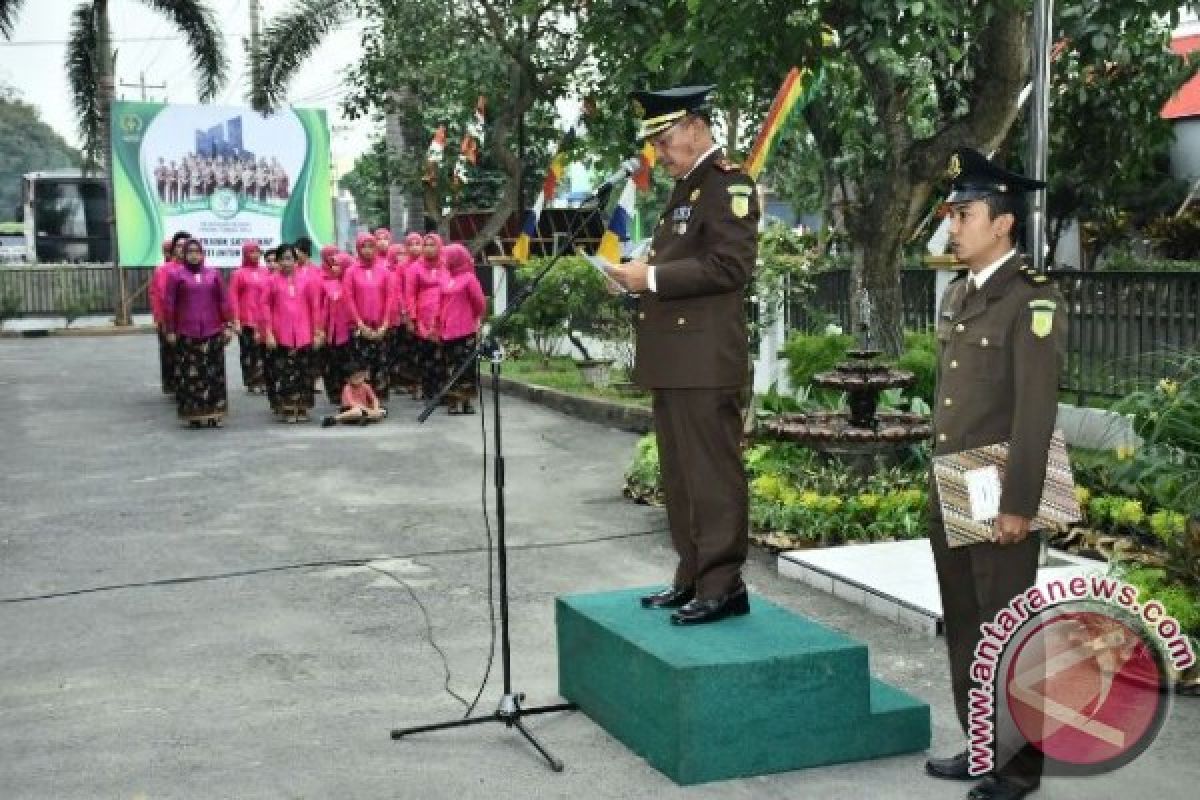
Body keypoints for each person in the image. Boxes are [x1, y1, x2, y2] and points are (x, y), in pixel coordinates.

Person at [921, 148, 1066, 800]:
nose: (954, 225)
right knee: (966, 623)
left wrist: (1021, 504)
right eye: (952, 213)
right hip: (955, 480)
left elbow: (1036, 410)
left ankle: (1016, 769)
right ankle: (984, 745)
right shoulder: (960, 293)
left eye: (965, 214)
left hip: (1001, 485)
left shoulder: (1032, 299)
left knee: (1006, 629)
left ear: (1002, 223)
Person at [608, 85, 759, 626]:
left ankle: (723, 584)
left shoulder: (728, 185)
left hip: (705, 361)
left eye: (665, 140)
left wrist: (648, 276)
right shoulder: (684, 190)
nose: (659, 153)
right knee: (679, 474)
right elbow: (677, 265)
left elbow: (730, 267)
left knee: (711, 474)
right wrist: (634, 279)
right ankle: (692, 574)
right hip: (676, 361)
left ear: (696, 128)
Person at [162, 238, 234, 427]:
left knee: (214, 373)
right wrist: (170, 329)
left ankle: (214, 413)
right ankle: (194, 414)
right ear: (184, 254)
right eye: (190, 252)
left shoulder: (213, 274)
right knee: (191, 375)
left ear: (202, 254)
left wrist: (227, 325)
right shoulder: (177, 276)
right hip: (187, 333)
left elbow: (223, 301)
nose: (194, 255)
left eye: (197, 252)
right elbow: (169, 304)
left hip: (212, 331)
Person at [260, 244, 324, 423]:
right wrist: (269, 333)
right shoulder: (271, 281)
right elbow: (265, 307)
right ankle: (288, 408)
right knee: (284, 372)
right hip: (281, 334)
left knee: (304, 372)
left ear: (296, 261)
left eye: (290, 259)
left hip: (304, 333)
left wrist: (318, 331)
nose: (286, 263)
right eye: (283, 259)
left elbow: (315, 306)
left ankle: (302, 407)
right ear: (278, 261)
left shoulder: (307, 280)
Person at [437, 243, 487, 414]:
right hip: (447, 330)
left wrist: (474, 318)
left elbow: (479, 302)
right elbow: (440, 301)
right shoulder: (445, 277)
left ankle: (466, 402)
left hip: (465, 330)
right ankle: (453, 401)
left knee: (465, 367)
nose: (444, 260)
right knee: (450, 366)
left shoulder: (469, 278)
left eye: (448, 257)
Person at [344, 232, 391, 400]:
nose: (367, 250)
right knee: (361, 364)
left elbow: (389, 297)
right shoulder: (350, 272)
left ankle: (380, 399)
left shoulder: (384, 271)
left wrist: (385, 324)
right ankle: (361, 399)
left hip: (380, 326)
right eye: (363, 246)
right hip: (359, 327)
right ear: (358, 248)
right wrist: (360, 325)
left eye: (371, 246)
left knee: (381, 363)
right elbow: (348, 299)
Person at [409, 233, 448, 402]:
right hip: (423, 316)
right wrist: (412, 318)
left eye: (433, 245)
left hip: (445, 315)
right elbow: (410, 295)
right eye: (427, 245)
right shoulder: (415, 268)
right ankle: (429, 391)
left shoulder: (447, 265)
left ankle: (446, 392)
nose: (429, 248)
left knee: (444, 355)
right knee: (427, 356)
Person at [149, 232, 188, 396]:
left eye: (185, 245)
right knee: (170, 354)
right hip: (169, 320)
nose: (182, 249)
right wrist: (159, 318)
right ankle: (173, 384)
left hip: (190, 320)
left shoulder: (196, 269)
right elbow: (157, 295)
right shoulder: (163, 270)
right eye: (179, 246)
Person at [229, 240, 270, 393]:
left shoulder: (265, 272)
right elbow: (233, 297)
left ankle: (263, 380)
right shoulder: (238, 274)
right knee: (248, 351)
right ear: (245, 254)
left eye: (257, 251)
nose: (254, 255)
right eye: (251, 252)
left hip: (263, 320)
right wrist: (236, 320)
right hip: (247, 319)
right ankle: (251, 381)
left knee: (263, 351)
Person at [318, 249, 356, 405]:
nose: (334, 268)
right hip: (332, 331)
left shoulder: (353, 284)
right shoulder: (329, 284)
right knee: (331, 363)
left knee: (347, 363)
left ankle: (350, 394)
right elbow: (325, 308)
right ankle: (334, 393)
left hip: (349, 331)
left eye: (338, 265)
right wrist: (321, 328)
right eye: (333, 264)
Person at [322, 362, 387, 426]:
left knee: (382, 411)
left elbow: (374, 399)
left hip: (365, 408)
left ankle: (366, 417)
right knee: (357, 412)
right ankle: (335, 419)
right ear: (348, 379)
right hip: (350, 409)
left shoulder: (366, 386)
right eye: (356, 378)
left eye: (361, 376)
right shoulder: (347, 388)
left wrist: (376, 409)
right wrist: (369, 411)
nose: (360, 379)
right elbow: (352, 403)